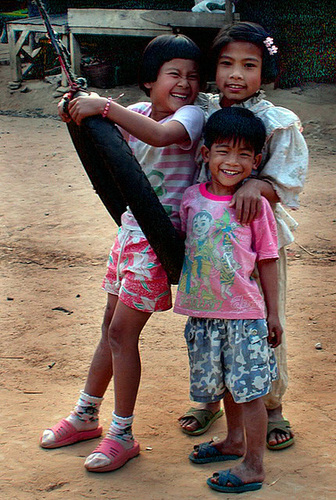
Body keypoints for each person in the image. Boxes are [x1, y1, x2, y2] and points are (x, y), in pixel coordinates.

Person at [39, 34, 205, 473]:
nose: (185, 83)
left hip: (158, 238)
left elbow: (161, 135)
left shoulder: (191, 117)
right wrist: (78, 113)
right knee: (108, 329)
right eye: (174, 74)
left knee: (121, 334)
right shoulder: (139, 112)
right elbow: (104, 143)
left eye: (192, 75)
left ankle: (122, 433)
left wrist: (104, 109)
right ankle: (86, 415)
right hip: (130, 234)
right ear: (149, 81)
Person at [178, 21, 309, 450]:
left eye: (249, 65)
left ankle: (271, 407)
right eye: (227, 63)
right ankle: (211, 400)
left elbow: (287, 182)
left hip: (258, 244)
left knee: (263, 324)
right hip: (208, 239)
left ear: (264, 72)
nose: (236, 74)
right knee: (212, 323)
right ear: (213, 69)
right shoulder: (201, 109)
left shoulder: (277, 122)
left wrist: (258, 185)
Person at [174, 107, 283, 493]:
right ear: (205, 154)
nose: (231, 162)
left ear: (255, 162)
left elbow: (268, 260)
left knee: (250, 391)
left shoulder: (256, 206)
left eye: (243, 155)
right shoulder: (190, 199)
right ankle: (233, 440)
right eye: (223, 151)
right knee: (224, 386)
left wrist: (273, 314)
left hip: (244, 316)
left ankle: (253, 464)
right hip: (204, 316)